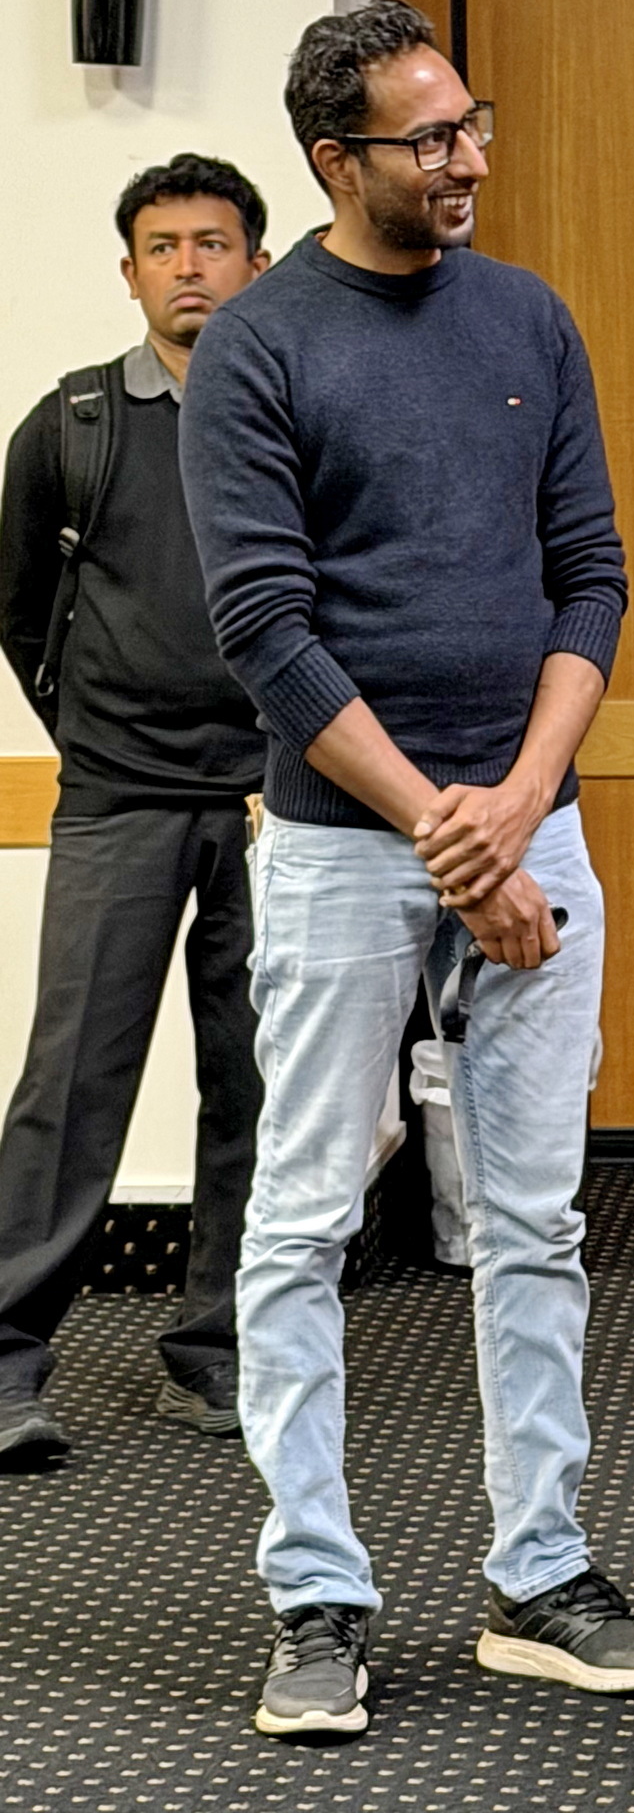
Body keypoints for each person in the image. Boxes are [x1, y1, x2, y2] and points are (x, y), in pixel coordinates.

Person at [179, 0, 634, 1742]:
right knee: (302, 1225)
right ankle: (315, 1593)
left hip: (529, 827)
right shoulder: (257, 348)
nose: (471, 159)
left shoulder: (529, 319)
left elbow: (592, 578)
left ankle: (538, 1572)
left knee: (534, 1223)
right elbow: (265, 624)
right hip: (342, 853)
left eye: (475, 124)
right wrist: (439, 828)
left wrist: (518, 804)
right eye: (432, 138)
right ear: (339, 162)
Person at [0, 156, 271, 1467]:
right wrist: (92, 743)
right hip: (118, 804)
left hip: (282, 805)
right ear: (130, 272)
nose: (187, 267)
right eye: (161, 247)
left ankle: (218, 1356)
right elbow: (19, 612)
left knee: (259, 1090)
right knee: (70, 1089)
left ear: (255, 266)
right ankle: (4, 1367)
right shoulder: (71, 427)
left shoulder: (293, 424)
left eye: (212, 243)